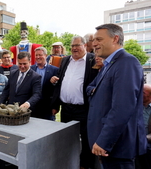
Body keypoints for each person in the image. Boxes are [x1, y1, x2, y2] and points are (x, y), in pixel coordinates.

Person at [86, 23, 147, 169]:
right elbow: (92, 91)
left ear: (115, 39)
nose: (94, 44)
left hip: (118, 146)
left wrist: (104, 141)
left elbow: (122, 108)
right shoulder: (110, 64)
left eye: (99, 39)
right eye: (94, 40)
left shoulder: (127, 62)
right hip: (111, 146)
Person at [51, 36, 98, 169]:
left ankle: (85, 166)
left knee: (87, 139)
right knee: (66, 139)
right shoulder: (65, 60)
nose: (74, 48)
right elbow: (61, 82)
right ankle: (66, 163)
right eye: (72, 46)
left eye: (77, 45)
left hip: (84, 109)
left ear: (85, 46)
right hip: (66, 109)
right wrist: (55, 105)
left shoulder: (92, 59)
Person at [30, 47, 58, 120]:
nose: (38, 57)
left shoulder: (55, 70)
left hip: (48, 107)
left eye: (40, 55)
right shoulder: (30, 69)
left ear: (46, 55)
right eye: (36, 55)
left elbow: (57, 90)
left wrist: (55, 106)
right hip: (33, 106)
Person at [135, 84, 151, 169]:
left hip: (147, 144)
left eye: (143, 93)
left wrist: (143, 138)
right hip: (135, 143)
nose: (140, 94)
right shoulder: (136, 106)